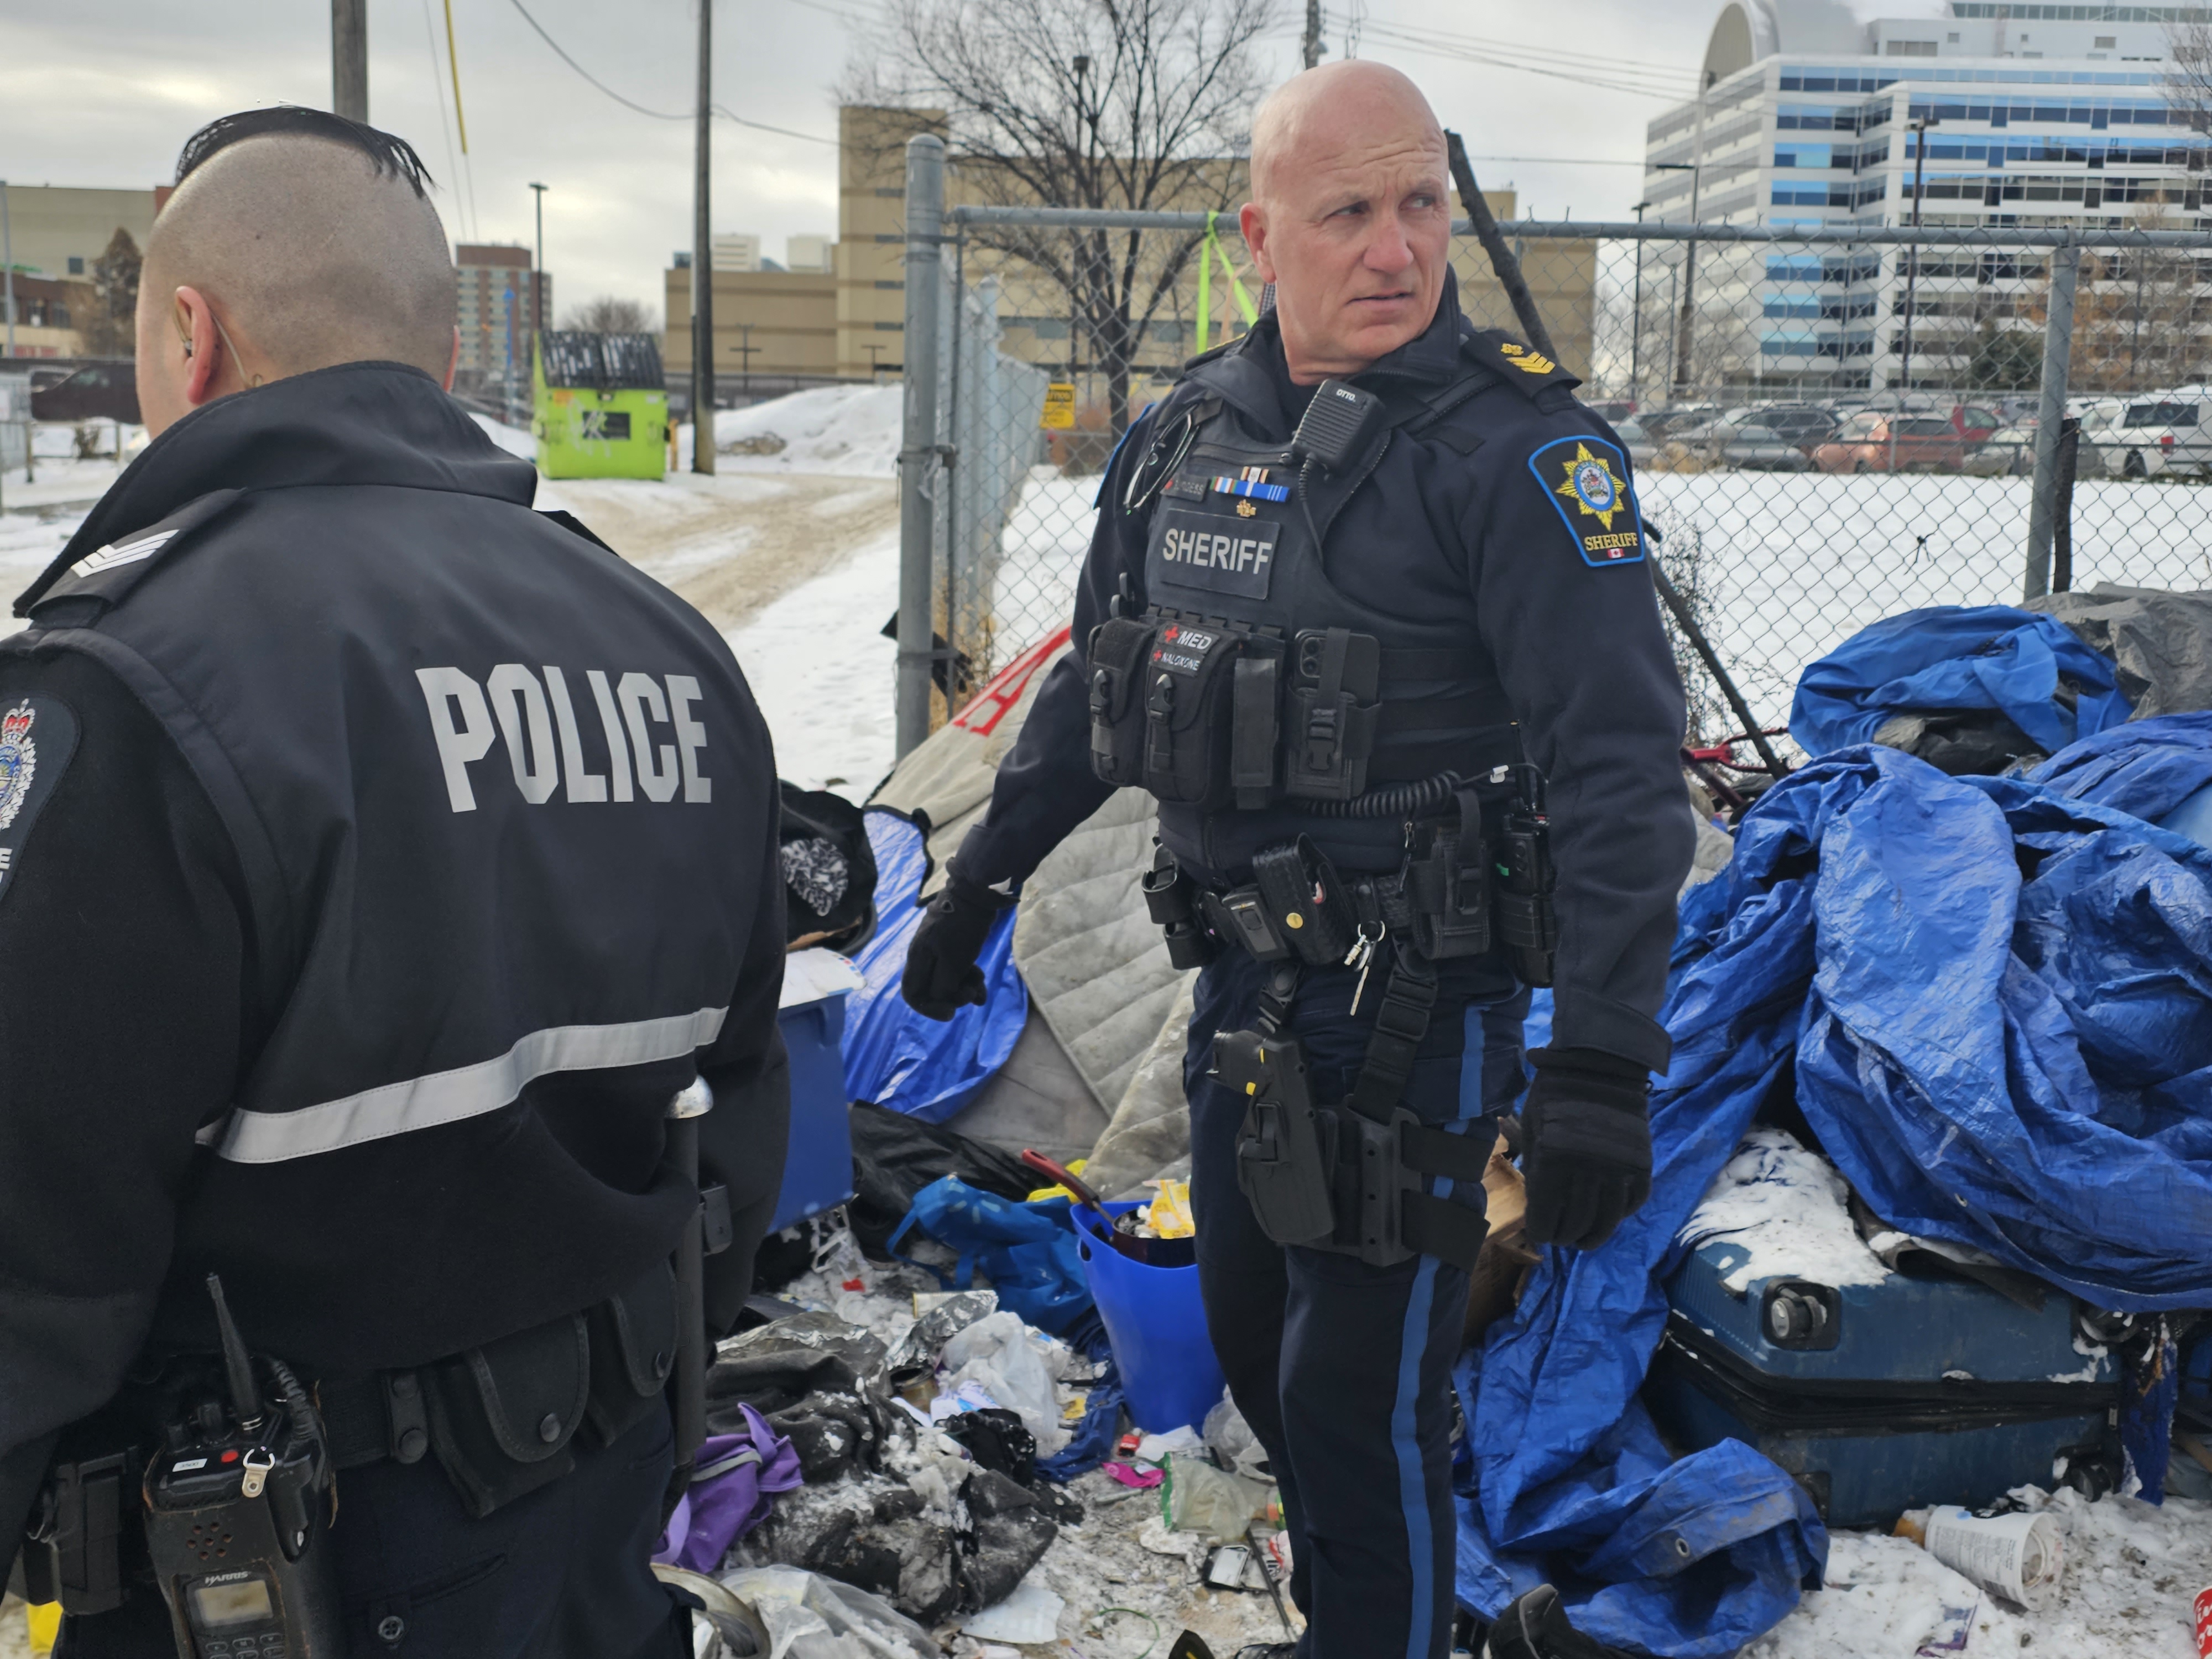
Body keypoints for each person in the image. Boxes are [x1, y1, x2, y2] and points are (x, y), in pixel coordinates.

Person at [901, 62, 1691, 1659]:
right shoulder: (1187, 435)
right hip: (1241, 1001)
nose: (1399, 247)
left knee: (1355, 1404)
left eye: (1422, 205)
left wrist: (1604, 1059)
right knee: (1264, 1356)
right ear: (1260, 237)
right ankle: (1366, 1621)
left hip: (1417, 1017)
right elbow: (1099, 687)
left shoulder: (1519, 463)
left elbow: (1619, 775)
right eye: (1350, 213)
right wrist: (981, 881)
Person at [0, 109, 789, 1657]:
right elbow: (738, 1109)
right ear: (436, 366)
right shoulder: (668, 651)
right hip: (595, 1518)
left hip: (266, 1578)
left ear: (190, 334)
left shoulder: (135, 680)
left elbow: (33, 1230)